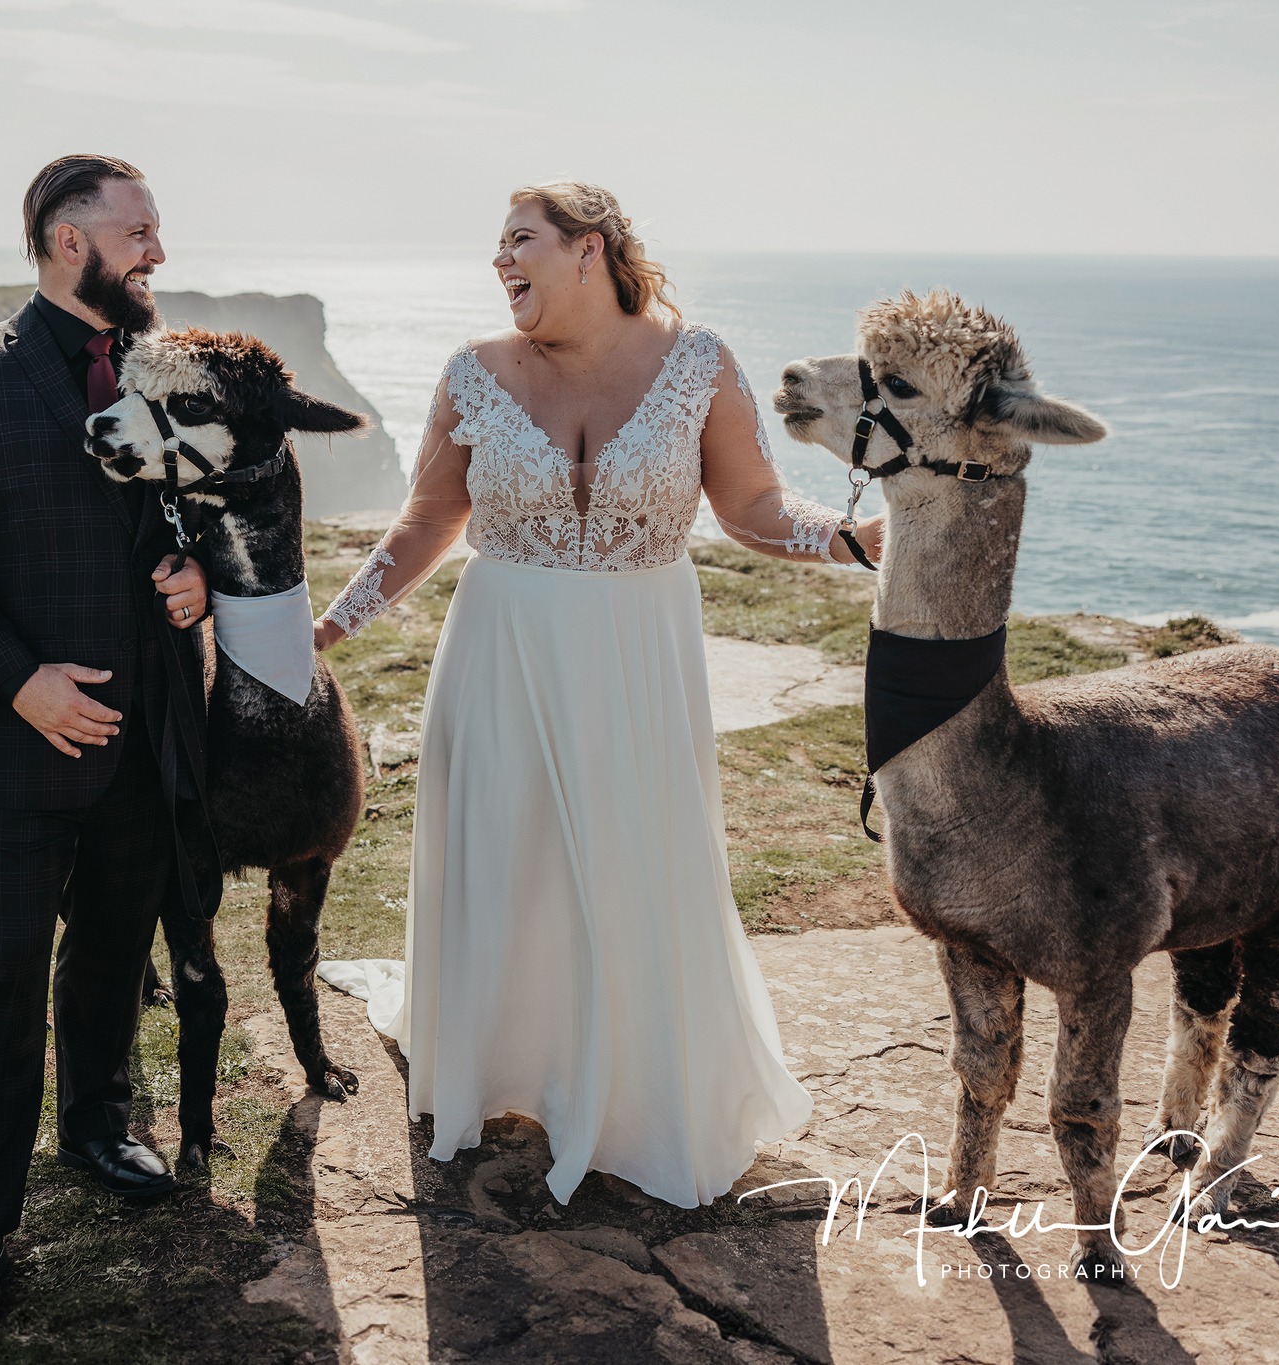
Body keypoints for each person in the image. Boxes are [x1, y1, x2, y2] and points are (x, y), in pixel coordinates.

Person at [314, 182, 886, 1208]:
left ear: (591, 251)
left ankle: (632, 1090)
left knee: (634, 858)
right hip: (502, 647)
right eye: (496, 247)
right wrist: (328, 628)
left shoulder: (695, 363)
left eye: (519, 241)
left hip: (635, 651)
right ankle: (499, 1062)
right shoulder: (472, 373)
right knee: (503, 851)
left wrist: (843, 537)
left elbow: (748, 505)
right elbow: (422, 524)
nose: (500, 262)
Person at [0, 153, 212, 1324]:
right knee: (1, 978)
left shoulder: (165, 371)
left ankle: (94, 1131)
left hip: (145, 735)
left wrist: (194, 579)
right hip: (19, 742)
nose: (158, 253)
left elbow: (186, 516)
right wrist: (18, 682)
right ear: (67, 239)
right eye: (139, 231)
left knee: (114, 955)